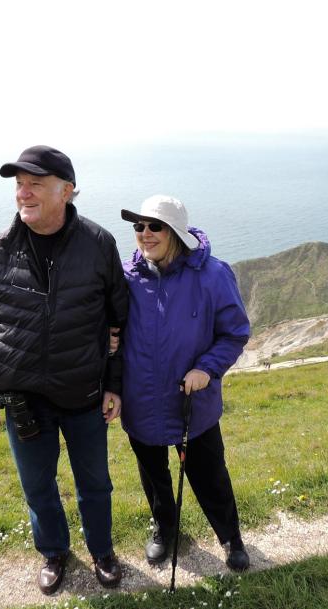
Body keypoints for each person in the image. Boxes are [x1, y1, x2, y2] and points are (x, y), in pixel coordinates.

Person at [0, 145, 128, 595]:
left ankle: (102, 551)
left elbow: (120, 320)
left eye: (35, 183)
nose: (24, 193)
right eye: (19, 185)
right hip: (22, 398)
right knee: (38, 486)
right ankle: (54, 552)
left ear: (66, 191)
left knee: (95, 483)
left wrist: (115, 384)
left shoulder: (99, 245)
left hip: (84, 393)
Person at [119, 195, 252, 571]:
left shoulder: (213, 275)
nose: (145, 234)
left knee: (210, 476)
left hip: (194, 403)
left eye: (154, 226)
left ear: (174, 231)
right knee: (155, 477)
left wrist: (206, 369)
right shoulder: (126, 276)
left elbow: (234, 333)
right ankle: (165, 529)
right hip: (141, 402)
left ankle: (230, 538)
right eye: (139, 226)